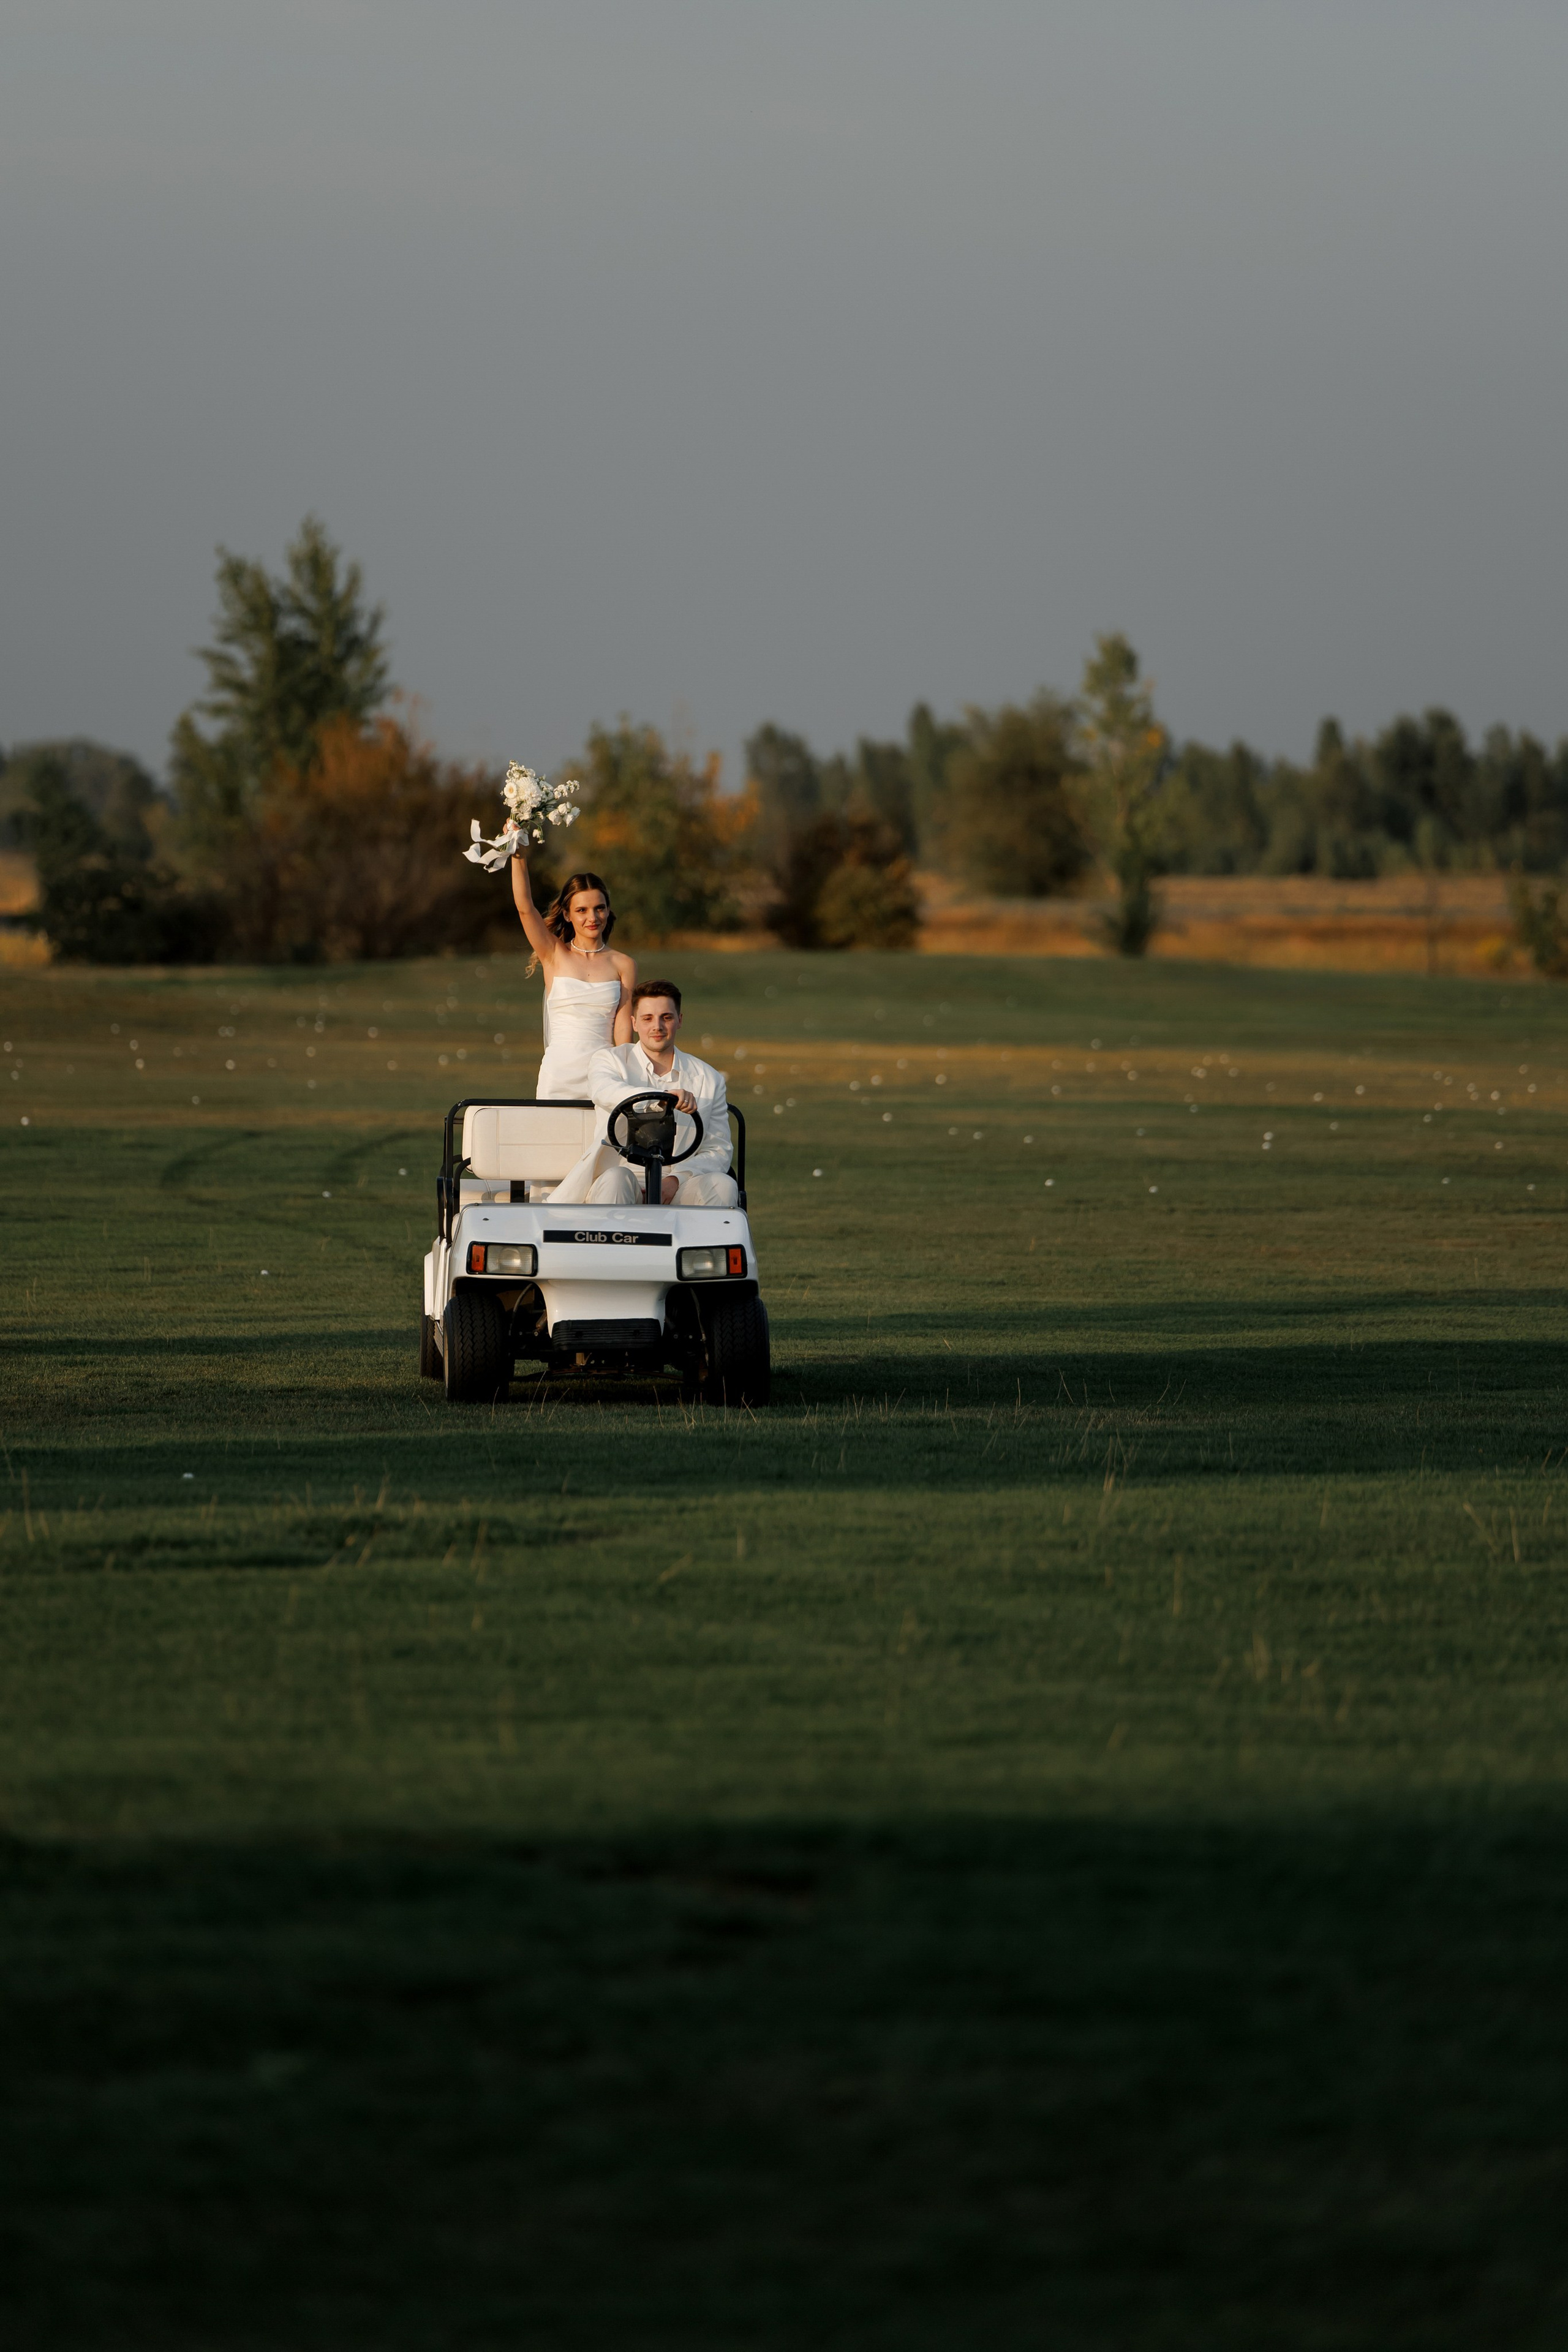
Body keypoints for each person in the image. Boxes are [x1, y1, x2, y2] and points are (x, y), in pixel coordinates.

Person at [548, 980, 738, 1207]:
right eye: (647, 1019)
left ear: (680, 1020)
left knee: (723, 1185)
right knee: (616, 1180)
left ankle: (703, 1245)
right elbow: (605, 1091)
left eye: (666, 1017)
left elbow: (718, 1149)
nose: (657, 1026)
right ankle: (612, 1242)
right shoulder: (610, 1060)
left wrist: (676, 1179)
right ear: (634, 1023)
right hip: (622, 1172)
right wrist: (664, 1096)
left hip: (680, 1181)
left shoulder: (709, 1078)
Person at [510, 849, 636, 1098]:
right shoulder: (553, 953)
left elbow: (623, 1032)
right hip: (559, 1075)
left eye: (599, 908)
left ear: (608, 911)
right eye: (582, 911)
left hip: (604, 1076)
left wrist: (626, 1078)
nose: (592, 917)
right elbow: (525, 908)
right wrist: (519, 854)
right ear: (567, 914)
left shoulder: (624, 964)